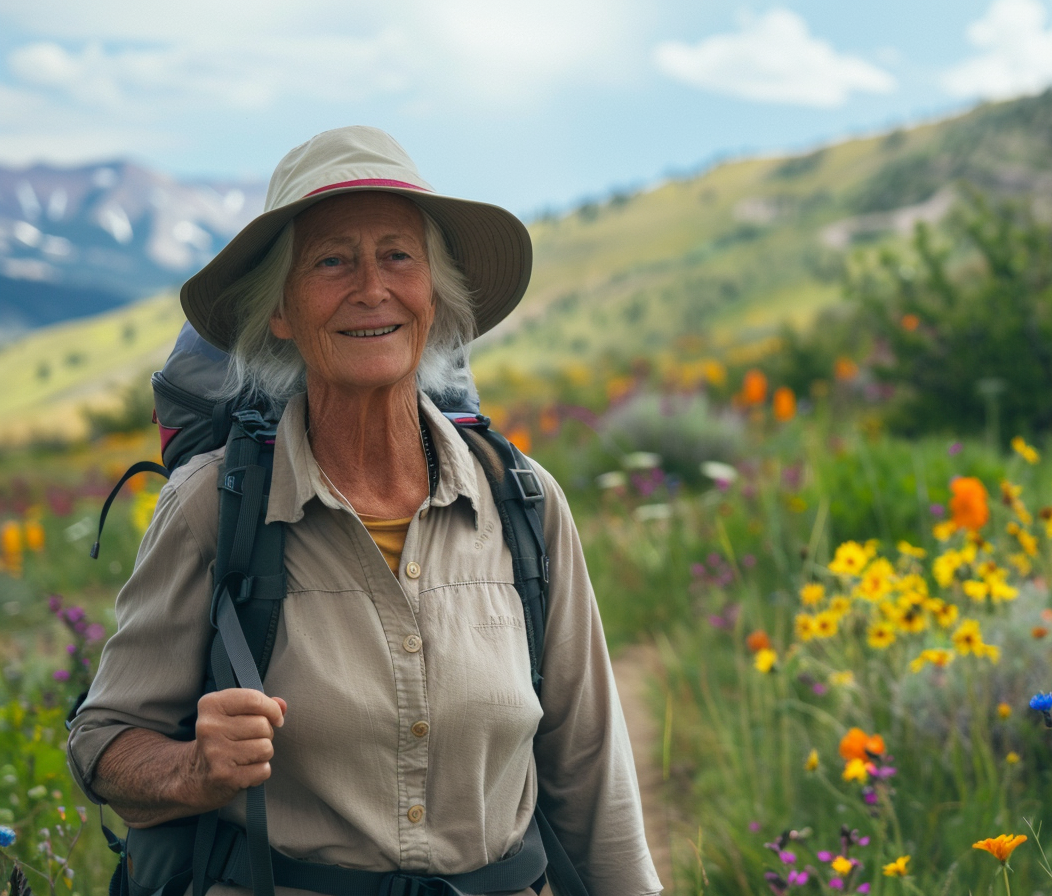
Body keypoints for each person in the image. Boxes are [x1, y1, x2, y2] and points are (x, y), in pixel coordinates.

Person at [66, 126, 662, 896]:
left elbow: (591, 776)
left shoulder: (525, 504)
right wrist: (191, 770)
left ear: (437, 297)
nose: (372, 288)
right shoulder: (214, 506)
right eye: (332, 261)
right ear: (280, 312)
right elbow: (103, 743)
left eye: (398, 255)